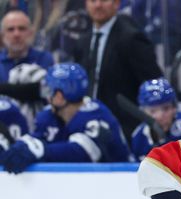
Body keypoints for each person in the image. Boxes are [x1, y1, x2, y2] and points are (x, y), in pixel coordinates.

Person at [0, 63, 132, 173]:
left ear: (59, 96)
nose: (46, 96)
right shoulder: (49, 115)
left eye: (49, 91)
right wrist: (20, 147)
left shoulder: (97, 115)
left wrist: (43, 150)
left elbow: (83, 152)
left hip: (119, 185)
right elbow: (35, 141)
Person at [73, 0, 163, 139]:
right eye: (93, 0)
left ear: (116, 3)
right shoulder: (82, 41)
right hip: (89, 127)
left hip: (125, 130)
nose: (98, 5)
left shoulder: (132, 38)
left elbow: (153, 82)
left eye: (104, 0)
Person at [130, 78, 181, 161]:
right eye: (152, 111)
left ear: (174, 108)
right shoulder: (138, 137)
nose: (159, 116)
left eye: (166, 108)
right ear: (143, 112)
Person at [0, 9, 54, 82]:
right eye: (10, 29)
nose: (16, 34)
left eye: (21, 28)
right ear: (2, 35)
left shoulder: (44, 59)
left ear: (31, 33)